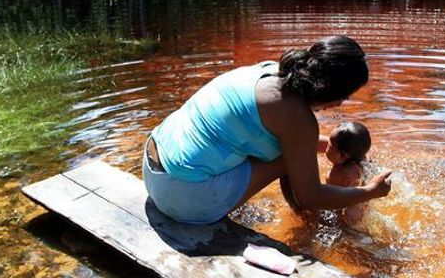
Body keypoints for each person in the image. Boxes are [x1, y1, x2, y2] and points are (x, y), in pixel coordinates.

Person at [143, 35, 393, 224]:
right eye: (344, 96)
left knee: (282, 152)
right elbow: (310, 196)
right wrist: (369, 192)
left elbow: (298, 142)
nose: (340, 104)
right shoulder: (298, 118)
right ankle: (309, 226)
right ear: (330, 89)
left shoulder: (272, 71)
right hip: (181, 197)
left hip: (153, 168)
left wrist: (344, 149)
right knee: (288, 160)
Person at [322, 121, 371, 226]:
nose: (326, 146)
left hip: (344, 219)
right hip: (357, 212)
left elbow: (328, 199)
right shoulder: (360, 162)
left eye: (330, 145)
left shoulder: (338, 174)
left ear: (344, 155)